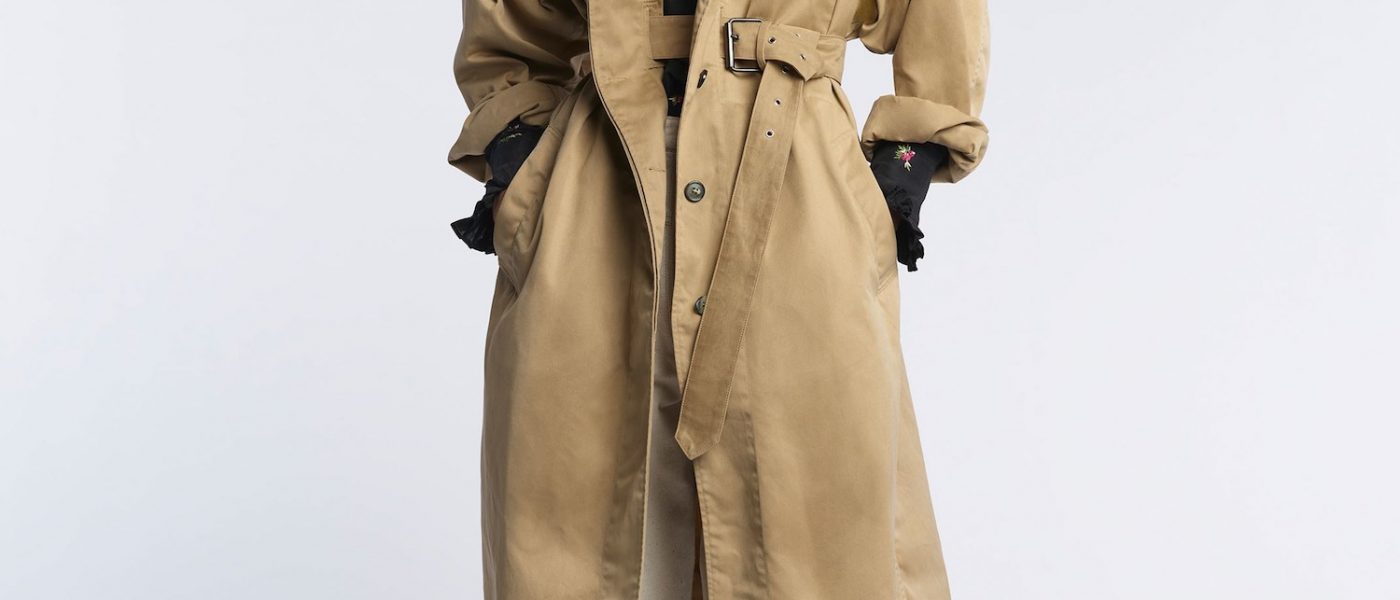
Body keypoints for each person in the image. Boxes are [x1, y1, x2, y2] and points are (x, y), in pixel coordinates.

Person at [446, 0, 989, 597]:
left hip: (797, 179)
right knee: (581, 529)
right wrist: (521, 164)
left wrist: (902, 168)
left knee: (810, 535)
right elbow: (507, 38)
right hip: (595, 187)